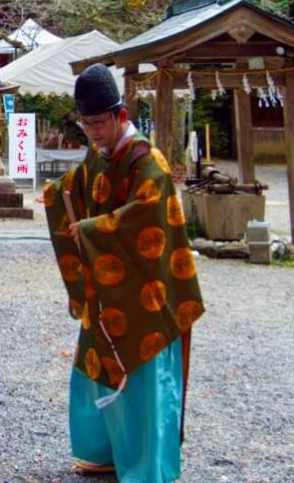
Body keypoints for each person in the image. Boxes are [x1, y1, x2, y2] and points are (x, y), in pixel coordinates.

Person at [43, 63, 205, 483]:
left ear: (121, 116)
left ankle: (149, 467)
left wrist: (93, 229)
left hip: (147, 292)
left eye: (99, 123)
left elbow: (146, 216)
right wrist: (57, 194)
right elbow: (79, 185)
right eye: (86, 124)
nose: (93, 132)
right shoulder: (101, 156)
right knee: (94, 366)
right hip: (108, 288)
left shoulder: (148, 161)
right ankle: (101, 453)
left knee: (144, 380)